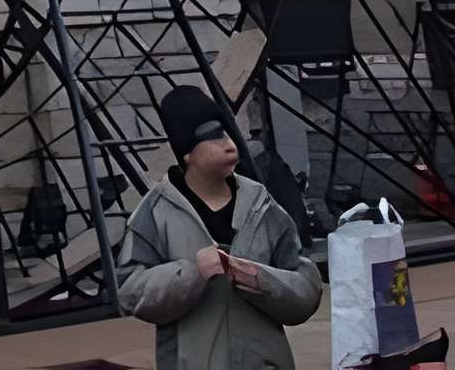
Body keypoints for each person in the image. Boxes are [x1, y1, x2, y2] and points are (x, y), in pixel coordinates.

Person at [117, 84, 324, 370]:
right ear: (187, 153)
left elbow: (306, 284)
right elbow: (130, 291)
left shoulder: (260, 204)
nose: (229, 143)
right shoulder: (155, 212)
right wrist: (191, 273)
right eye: (213, 137)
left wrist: (263, 281)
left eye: (228, 133)